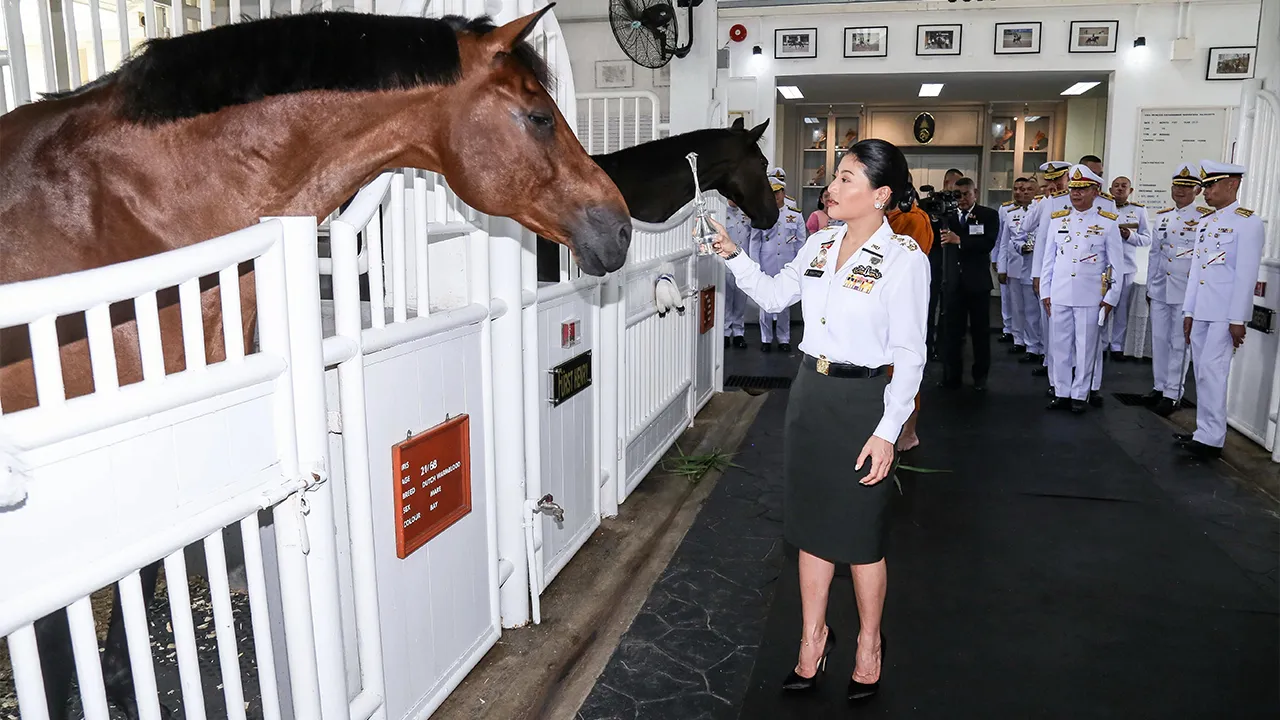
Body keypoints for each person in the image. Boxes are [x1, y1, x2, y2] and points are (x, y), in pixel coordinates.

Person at [705, 139, 928, 703]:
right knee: (809, 529)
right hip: (811, 395)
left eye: (847, 179)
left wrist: (888, 430)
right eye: (835, 176)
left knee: (861, 537)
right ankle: (812, 639)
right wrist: (734, 254)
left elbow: (910, 354)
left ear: (880, 196)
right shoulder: (820, 243)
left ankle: (869, 644)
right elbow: (778, 298)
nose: (832, 187)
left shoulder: (905, 261)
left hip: (863, 405)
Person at [1175, 160, 1265, 460]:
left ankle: (1212, 438)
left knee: (1213, 373)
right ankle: (1204, 431)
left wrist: (1238, 318)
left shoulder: (1248, 222)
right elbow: (1196, 273)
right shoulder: (1206, 223)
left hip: (1225, 314)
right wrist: (1189, 311)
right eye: (1206, 186)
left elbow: (1245, 275)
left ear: (1232, 184)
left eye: (1211, 185)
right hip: (1202, 310)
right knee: (1201, 373)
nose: (1205, 192)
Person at [1041, 165, 1125, 413]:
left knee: (1086, 347)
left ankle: (1080, 394)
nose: (1076, 194)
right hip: (1060, 292)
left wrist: (1110, 298)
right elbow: (1049, 260)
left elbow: (1115, 265)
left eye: (1082, 189)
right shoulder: (1058, 221)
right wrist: (1046, 291)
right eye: (1073, 189)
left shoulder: (1107, 223)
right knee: (1060, 346)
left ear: (1095, 191)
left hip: (1090, 296)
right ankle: (1062, 392)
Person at [1145, 163, 1207, 416]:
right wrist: (1150, 287)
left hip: (1185, 291)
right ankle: (1159, 387)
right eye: (1177, 186)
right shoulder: (1162, 217)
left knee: (1179, 342)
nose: (1180, 191)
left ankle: (1173, 393)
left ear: (1197, 190)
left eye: (1186, 187)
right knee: (1159, 340)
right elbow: (1154, 254)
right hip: (1160, 288)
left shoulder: (1205, 218)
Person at [887, 177, 935, 451]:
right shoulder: (882, 217)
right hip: (879, 303)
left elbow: (908, 262)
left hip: (904, 302)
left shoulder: (914, 219)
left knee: (904, 367)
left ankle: (909, 431)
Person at [938, 177, 999, 390]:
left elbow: (987, 243)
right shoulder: (946, 217)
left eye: (966, 194)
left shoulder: (988, 215)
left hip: (978, 283)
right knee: (952, 332)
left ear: (975, 193)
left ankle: (980, 377)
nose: (962, 199)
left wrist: (960, 240)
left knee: (981, 333)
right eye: (958, 194)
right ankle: (951, 376)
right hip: (953, 282)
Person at [751, 174, 809, 352]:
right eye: (772, 193)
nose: (775, 196)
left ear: (783, 193)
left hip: (787, 263)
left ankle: (784, 338)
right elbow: (755, 241)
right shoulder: (761, 214)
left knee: (785, 302)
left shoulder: (795, 215)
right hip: (766, 263)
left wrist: (799, 265)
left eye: (778, 192)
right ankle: (766, 339)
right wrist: (755, 265)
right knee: (765, 302)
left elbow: (801, 242)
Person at [1106, 176, 1151, 358]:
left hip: (1126, 266)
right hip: (1105, 267)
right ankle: (1101, 344)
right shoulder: (1102, 208)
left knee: (1121, 308)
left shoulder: (1138, 211)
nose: (1119, 189)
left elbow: (1147, 239)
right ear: (1110, 190)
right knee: (1102, 306)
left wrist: (1129, 236)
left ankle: (1117, 345)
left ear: (1130, 191)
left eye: (1124, 186)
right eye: (1116, 186)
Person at [1001, 177, 1043, 364]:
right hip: (1016, 264)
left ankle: (1038, 346)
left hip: (1037, 266)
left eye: (1028, 189)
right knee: (1019, 308)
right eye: (1020, 189)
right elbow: (1003, 243)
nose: (1023, 192)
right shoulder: (1010, 212)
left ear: (1036, 191)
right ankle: (1024, 342)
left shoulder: (1041, 209)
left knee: (1037, 312)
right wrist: (1001, 266)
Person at [723, 199, 757, 349]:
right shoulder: (721, 212)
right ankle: (725, 332)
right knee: (726, 300)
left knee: (740, 301)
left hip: (743, 263)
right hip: (726, 264)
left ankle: (738, 333)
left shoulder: (747, 213)